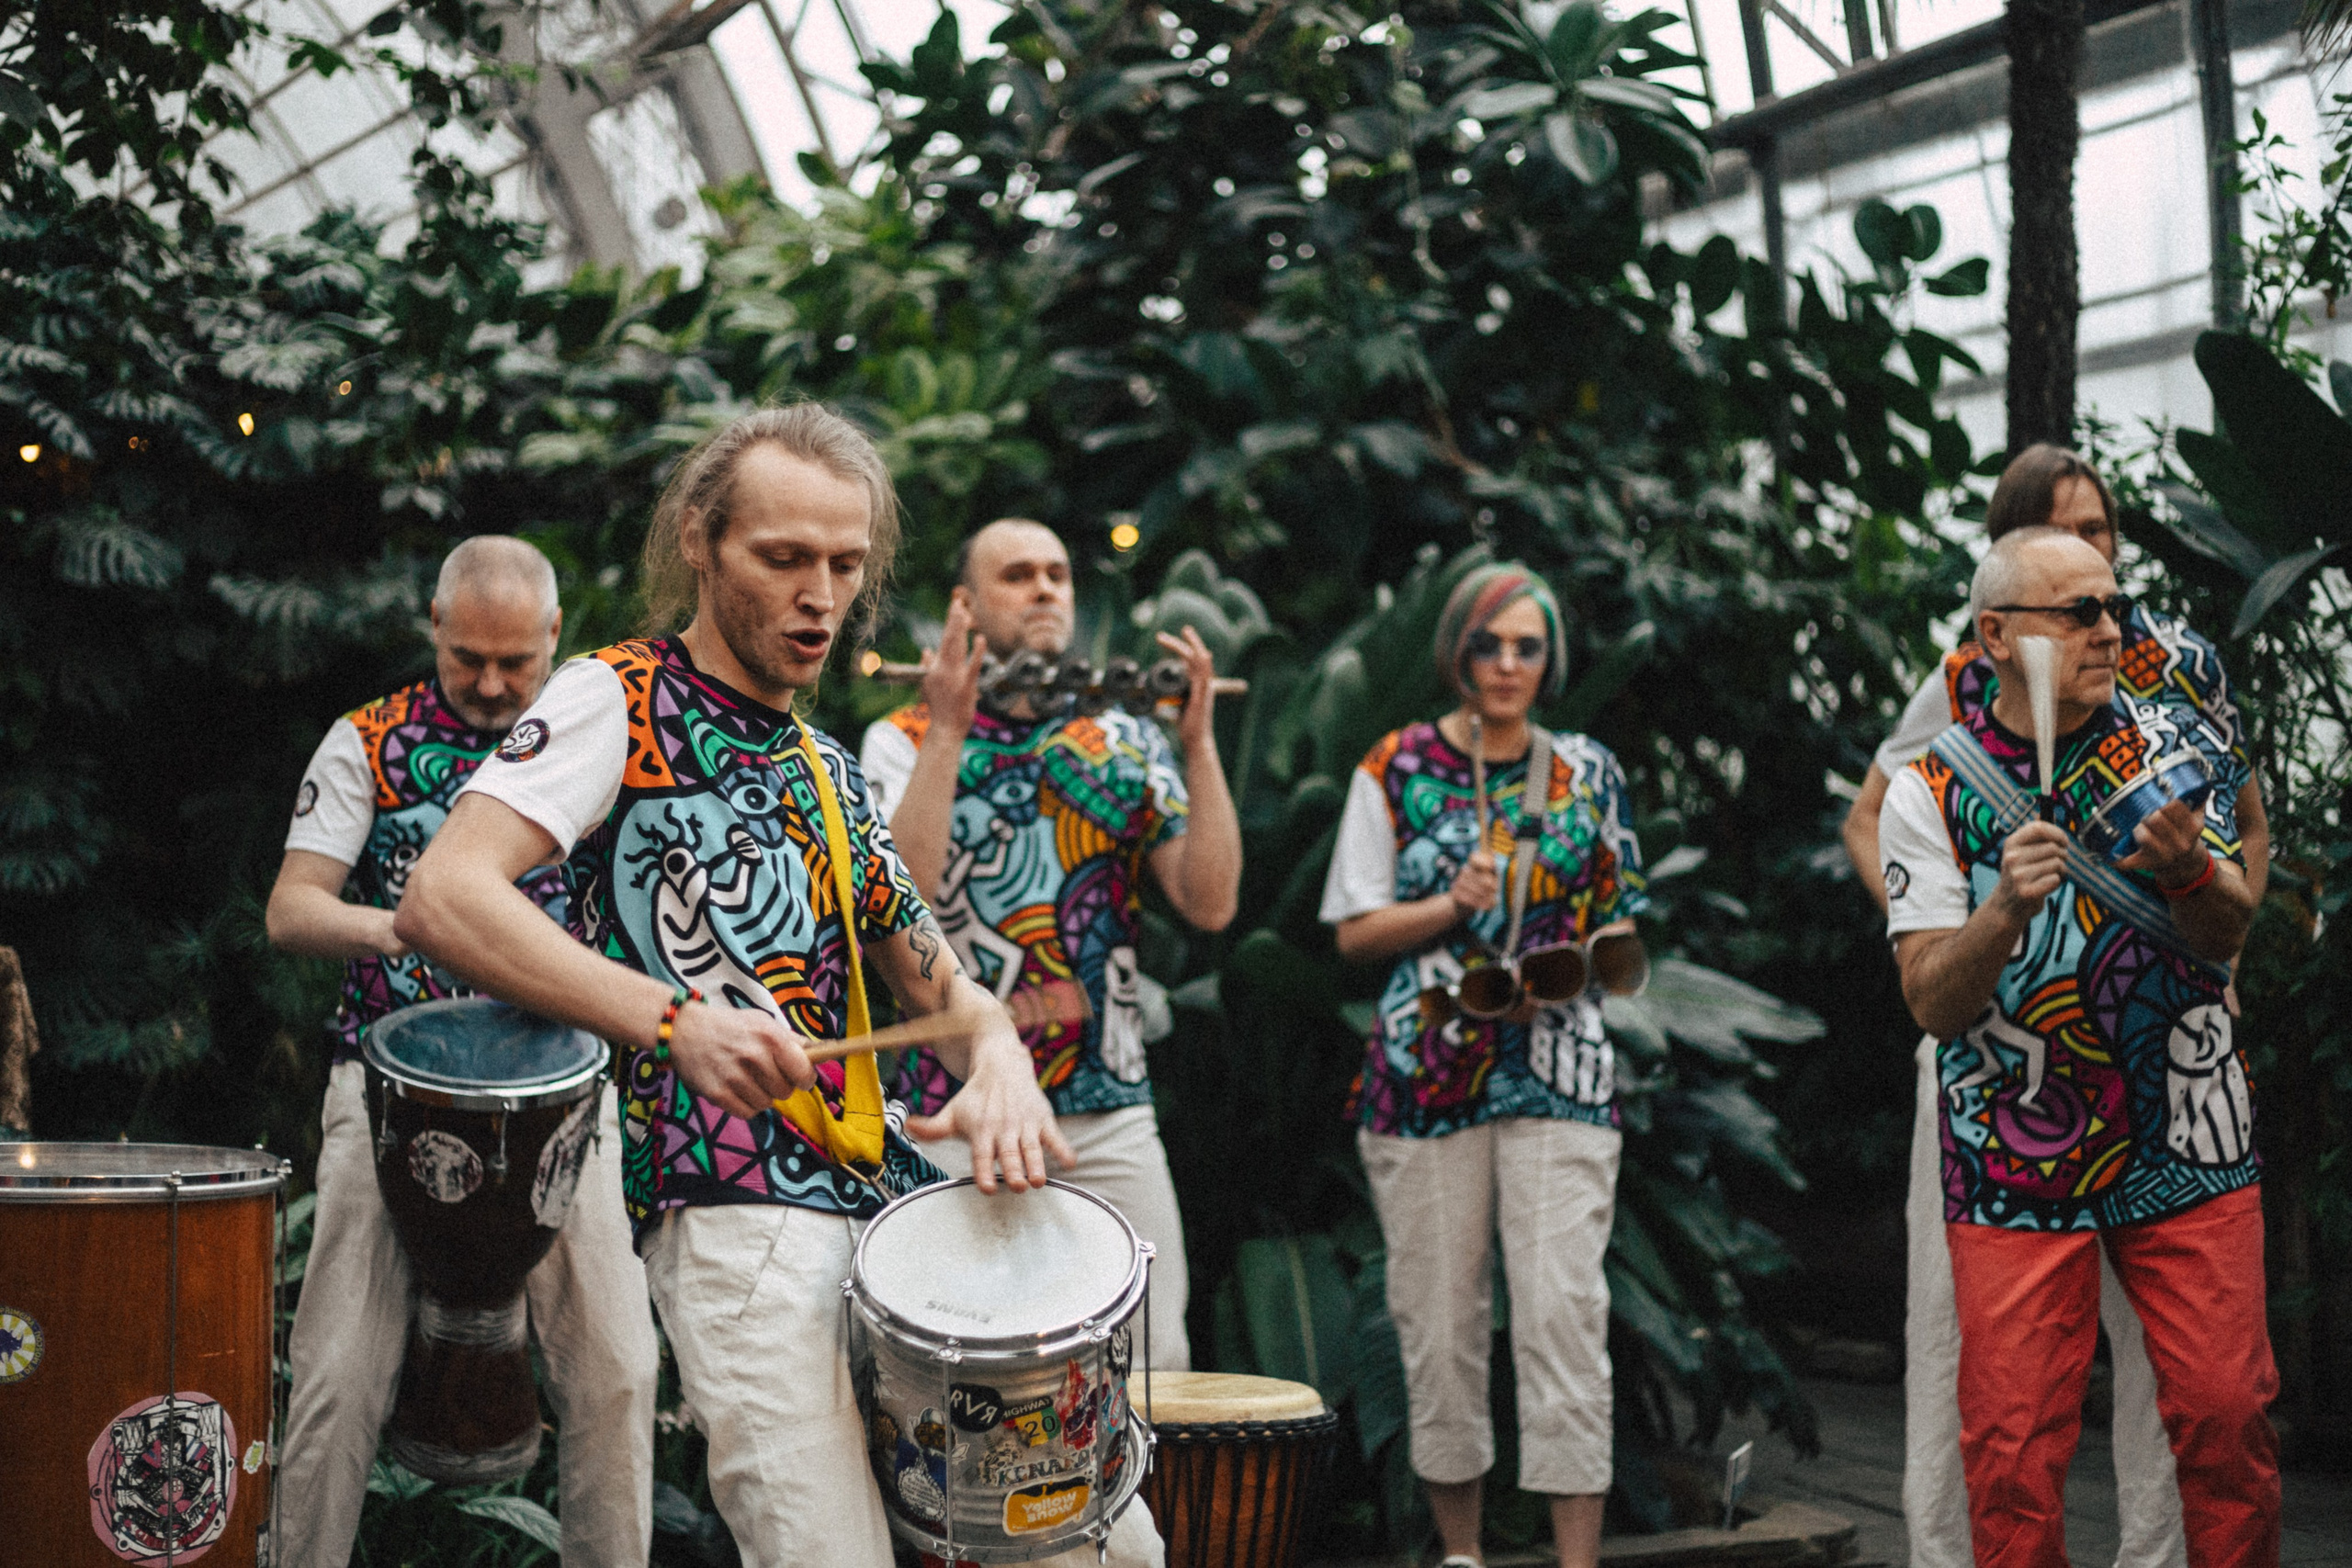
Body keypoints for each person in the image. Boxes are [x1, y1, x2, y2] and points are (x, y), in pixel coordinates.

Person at [391, 406, 1163, 1568]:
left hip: (889, 1207)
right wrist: (671, 1020)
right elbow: (446, 897)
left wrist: (1000, 1062)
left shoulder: (829, 769)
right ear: (700, 541)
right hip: (733, 1216)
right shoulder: (618, 697)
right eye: (784, 556)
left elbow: (944, 985)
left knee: (1097, 1545)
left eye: (845, 564)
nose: (820, 593)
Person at [1839, 445, 2269, 1568]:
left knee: (2222, 1413)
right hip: (2017, 1138)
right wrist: (1992, 918)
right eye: (2077, 609)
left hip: (2182, 1125)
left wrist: (2189, 871)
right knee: (2016, 1442)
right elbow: (1931, 1002)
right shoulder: (1934, 779)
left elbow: (2231, 923)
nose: (2107, 625)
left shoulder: (2173, 717)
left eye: (2112, 600)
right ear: (1994, 632)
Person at [266, 536, 658, 1568]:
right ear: (432, 626)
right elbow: (293, 910)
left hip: (564, 1099)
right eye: (466, 658)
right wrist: (414, 923)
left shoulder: (592, 740)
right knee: (336, 1376)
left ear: (554, 640)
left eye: (514, 663)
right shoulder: (369, 740)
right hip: (389, 1093)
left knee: (619, 1369)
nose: (489, 684)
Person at [1317, 564, 1647, 1568]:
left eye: (1528, 646)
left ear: (1550, 659)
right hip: (1425, 1079)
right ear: (1455, 650)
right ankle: (1460, 1556)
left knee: (1560, 1316)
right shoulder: (1395, 764)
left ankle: (1575, 1561)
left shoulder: (1588, 768)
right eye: (1488, 644)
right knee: (1437, 1324)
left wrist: (1584, 967)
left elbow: (1621, 916)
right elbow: (1353, 932)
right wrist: (1450, 910)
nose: (1507, 665)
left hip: (1558, 1072)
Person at [858, 517, 1241, 1371]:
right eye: (1018, 574)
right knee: (966, 1352)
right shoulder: (901, 738)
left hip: (1107, 1101)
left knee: (1155, 1356)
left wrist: (1200, 747)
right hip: (955, 1100)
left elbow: (1209, 904)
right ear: (965, 603)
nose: (1045, 590)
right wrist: (950, 729)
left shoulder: (1125, 737)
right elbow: (894, 897)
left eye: (1059, 575)